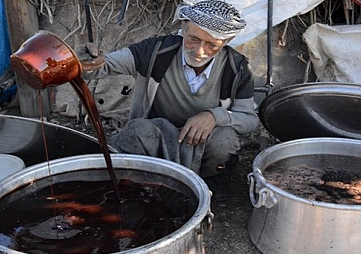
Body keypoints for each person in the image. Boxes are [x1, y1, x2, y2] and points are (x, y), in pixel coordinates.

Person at [78, 0, 260, 201]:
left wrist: (214, 116)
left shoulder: (237, 67)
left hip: (203, 142)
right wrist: (88, 62)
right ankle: (141, 185)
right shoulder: (156, 51)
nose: (200, 52)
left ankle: (209, 184)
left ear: (227, 41)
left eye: (211, 45)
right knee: (137, 130)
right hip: (156, 137)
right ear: (183, 26)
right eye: (193, 39)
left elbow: (249, 120)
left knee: (224, 139)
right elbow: (104, 66)